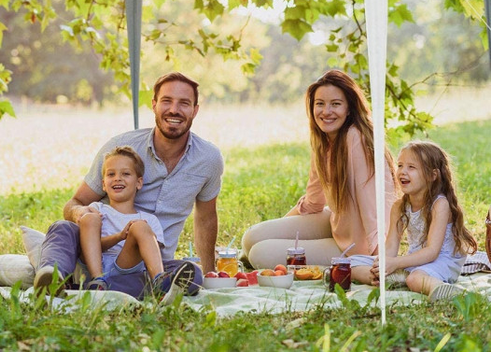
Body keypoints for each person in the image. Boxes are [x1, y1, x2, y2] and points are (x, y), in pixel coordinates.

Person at [34, 71, 224, 300]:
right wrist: (83, 214)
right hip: (94, 254)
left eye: (184, 103)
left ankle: (100, 288)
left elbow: (206, 218)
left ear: (195, 110)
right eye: (166, 101)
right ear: (154, 105)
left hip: (148, 267)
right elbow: (74, 203)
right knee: (62, 228)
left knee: (192, 274)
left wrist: (211, 272)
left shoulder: (209, 159)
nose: (174, 110)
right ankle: (51, 276)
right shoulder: (120, 147)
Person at [241, 69, 396, 283]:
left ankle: (347, 267)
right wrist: (280, 228)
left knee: (260, 254)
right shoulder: (323, 142)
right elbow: (313, 203)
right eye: (320, 103)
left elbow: (373, 206)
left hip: (358, 245)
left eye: (335, 104)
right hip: (338, 223)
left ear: (349, 108)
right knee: (251, 238)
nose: (326, 111)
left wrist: (381, 256)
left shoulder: (356, 139)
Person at [369, 140, 477, 301]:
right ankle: (399, 277)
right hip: (417, 259)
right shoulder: (399, 206)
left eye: (411, 167)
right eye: (400, 165)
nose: (402, 172)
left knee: (415, 279)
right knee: (359, 264)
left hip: (442, 261)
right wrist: (384, 265)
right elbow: (391, 244)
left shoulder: (439, 204)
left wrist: (396, 263)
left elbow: (432, 252)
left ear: (432, 175)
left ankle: (452, 293)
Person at [79, 145, 184, 297]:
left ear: (139, 183)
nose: (117, 178)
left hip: (127, 266)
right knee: (89, 218)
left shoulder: (149, 219)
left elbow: (151, 253)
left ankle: (159, 281)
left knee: (140, 226)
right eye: (111, 174)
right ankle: (98, 281)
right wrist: (119, 236)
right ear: (103, 184)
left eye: (126, 173)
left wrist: (130, 235)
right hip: (97, 264)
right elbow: (87, 246)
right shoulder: (97, 209)